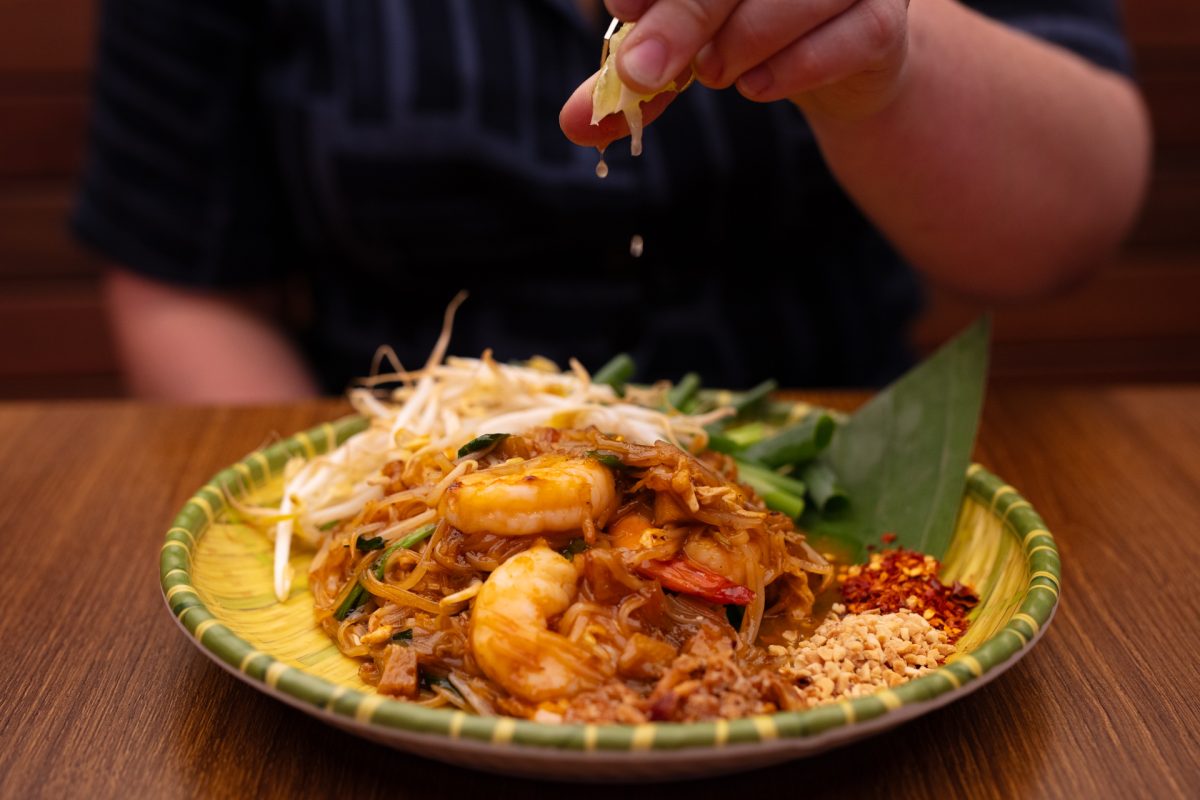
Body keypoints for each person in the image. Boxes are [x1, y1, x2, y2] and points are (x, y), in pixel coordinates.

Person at [74, 0, 1149, 402]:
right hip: (387, 433)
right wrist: (347, 511)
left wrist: (890, 65)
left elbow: (1075, 220)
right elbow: (187, 285)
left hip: (834, 458)